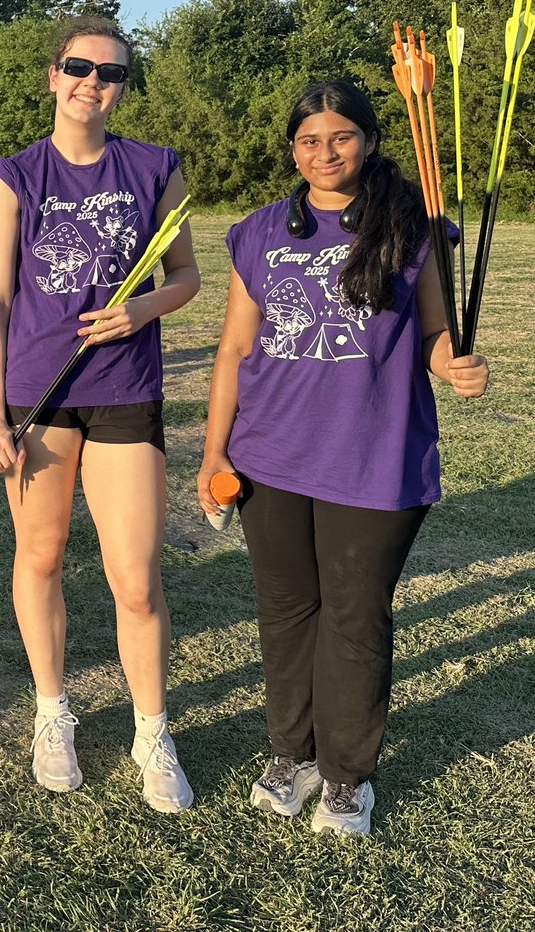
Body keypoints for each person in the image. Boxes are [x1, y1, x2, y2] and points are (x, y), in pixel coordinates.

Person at [196, 79, 490, 836]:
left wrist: (453, 361)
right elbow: (234, 349)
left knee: (356, 619)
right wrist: (213, 451)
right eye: (308, 141)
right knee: (286, 614)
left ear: (368, 139)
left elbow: (433, 335)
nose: (325, 153)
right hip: (269, 458)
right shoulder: (259, 232)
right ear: (292, 150)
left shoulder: (413, 227)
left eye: (341, 137)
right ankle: (292, 755)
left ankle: (345, 776)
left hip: (373, 458)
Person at [0, 16, 201, 809]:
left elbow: (186, 276)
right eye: (80, 68)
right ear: (53, 75)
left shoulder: (153, 168)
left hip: (126, 390)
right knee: (40, 557)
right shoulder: (14, 174)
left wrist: (140, 312)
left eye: (111, 74)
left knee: (135, 579)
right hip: (38, 395)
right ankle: (53, 714)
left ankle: (152, 732)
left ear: (123, 88)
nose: (93, 83)